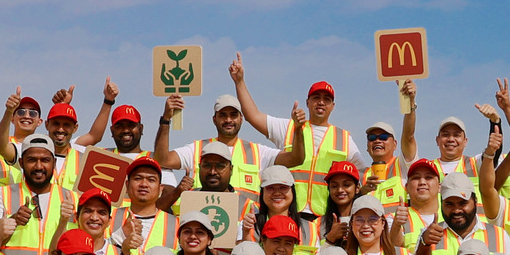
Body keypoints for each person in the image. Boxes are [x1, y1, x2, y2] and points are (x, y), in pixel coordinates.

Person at [234, 63, 364, 215]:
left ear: (333, 106)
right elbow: (253, 116)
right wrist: (240, 82)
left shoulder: (344, 138)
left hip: (324, 215)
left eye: (326, 99)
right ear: (307, 102)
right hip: (290, 211)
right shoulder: (289, 127)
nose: (321, 102)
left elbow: (362, 172)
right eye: (316, 98)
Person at [152, 86, 282, 197]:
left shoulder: (257, 152)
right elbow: (162, 159)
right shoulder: (197, 148)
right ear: (214, 119)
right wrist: (166, 119)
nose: (228, 120)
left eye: (233, 115)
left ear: (241, 119)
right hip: (203, 223)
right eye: (223, 115)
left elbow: (294, 159)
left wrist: (298, 130)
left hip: (245, 225)